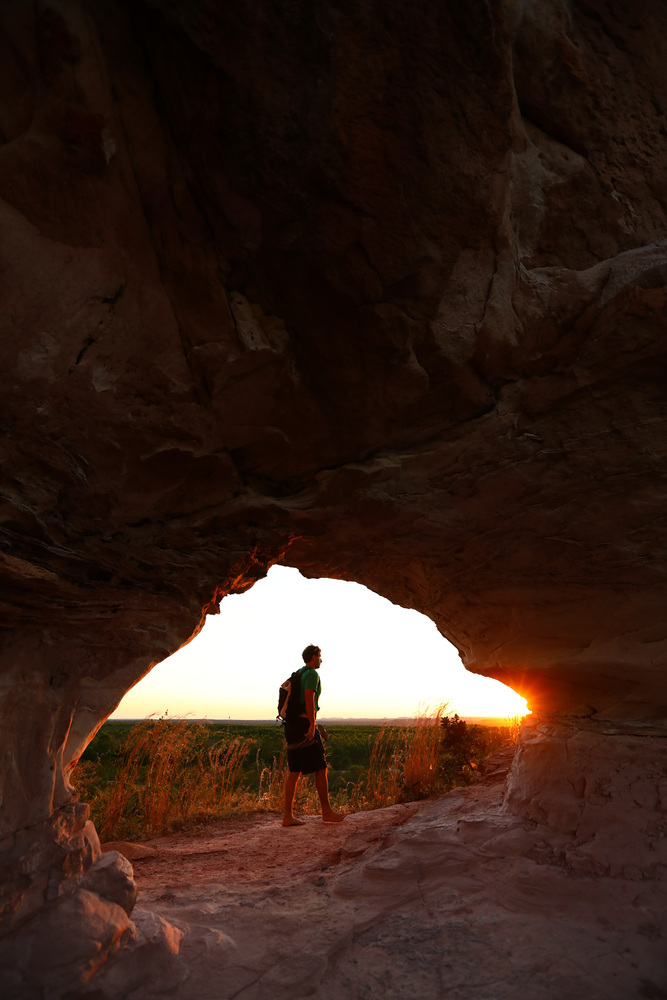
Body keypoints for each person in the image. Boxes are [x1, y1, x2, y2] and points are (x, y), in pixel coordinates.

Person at [282, 644, 345, 826]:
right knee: (321, 767)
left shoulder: (299, 674)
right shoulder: (311, 674)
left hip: (291, 726)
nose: (321, 660)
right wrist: (312, 725)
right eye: (319, 656)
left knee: (294, 771)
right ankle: (327, 812)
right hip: (304, 724)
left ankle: (288, 816)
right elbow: (309, 697)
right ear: (312, 657)